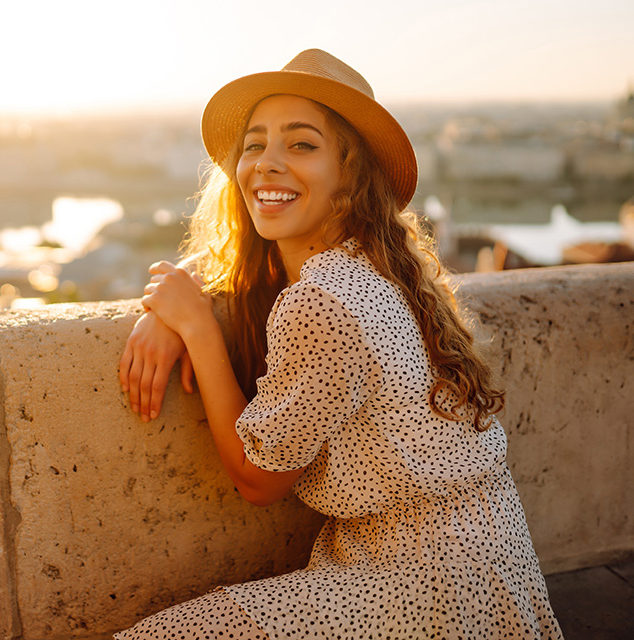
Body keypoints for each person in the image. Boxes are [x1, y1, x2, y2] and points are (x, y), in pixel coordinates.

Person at [117, 49, 563, 640]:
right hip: (490, 566)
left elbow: (258, 479)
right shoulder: (383, 268)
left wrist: (196, 327)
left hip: (418, 584)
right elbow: (243, 256)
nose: (267, 164)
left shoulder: (322, 300)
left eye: (301, 145)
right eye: (254, 145)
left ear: (350, 174)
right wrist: (187, 285)